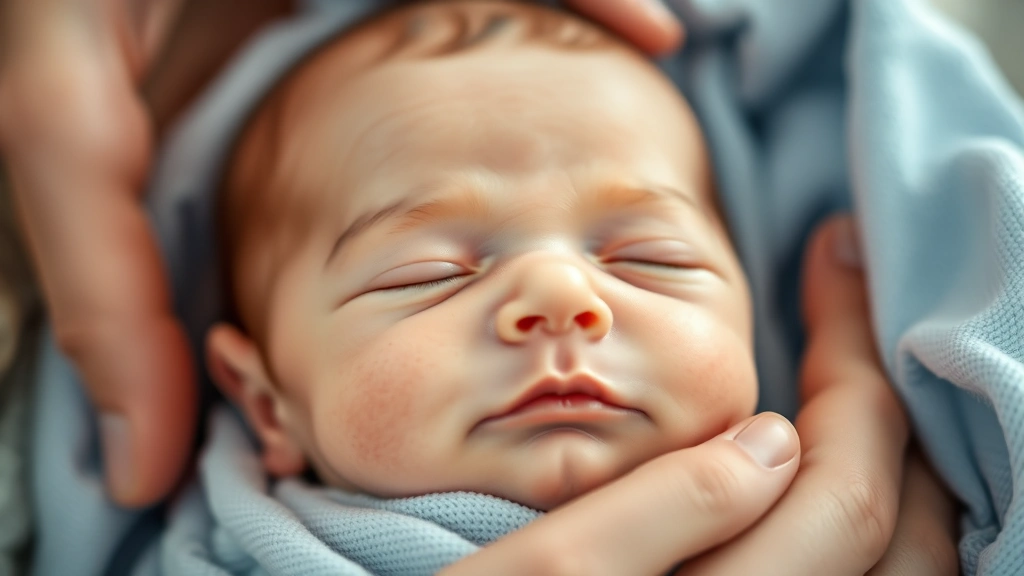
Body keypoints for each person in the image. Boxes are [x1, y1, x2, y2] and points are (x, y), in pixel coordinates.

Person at [0, 0, 957, 573]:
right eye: (429, 275)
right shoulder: (234, 542)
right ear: (266, 402)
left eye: (649, 260)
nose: (558, 296)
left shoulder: (841, 494)